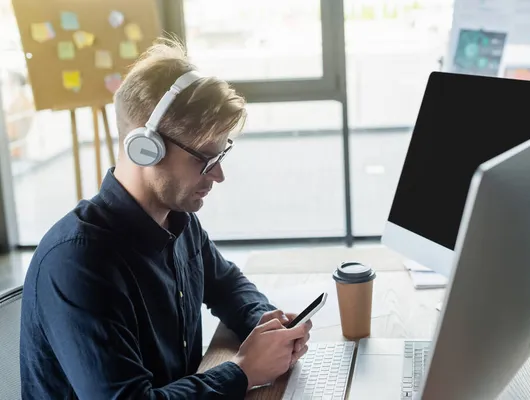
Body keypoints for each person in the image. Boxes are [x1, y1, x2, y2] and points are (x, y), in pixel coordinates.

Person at [19, 39, 312, 399]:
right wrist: (243, 371)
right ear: (146, 149)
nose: (218, 175)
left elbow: (227, 285)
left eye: (221, 154)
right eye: (205, 157)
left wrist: (267, 325)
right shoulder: (79, 261)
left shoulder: (177, 220)